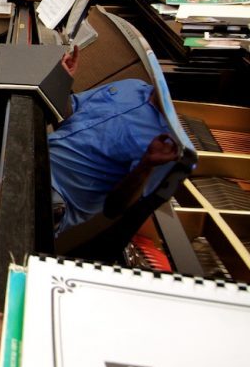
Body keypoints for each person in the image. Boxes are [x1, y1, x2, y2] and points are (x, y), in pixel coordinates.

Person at [49, 47, 179, 235]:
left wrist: (146, 165)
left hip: (55, 195)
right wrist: (63, 81)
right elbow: (66, 117)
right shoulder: (134, 86)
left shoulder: (167, 143)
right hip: (33, 156)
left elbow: (114, 209)